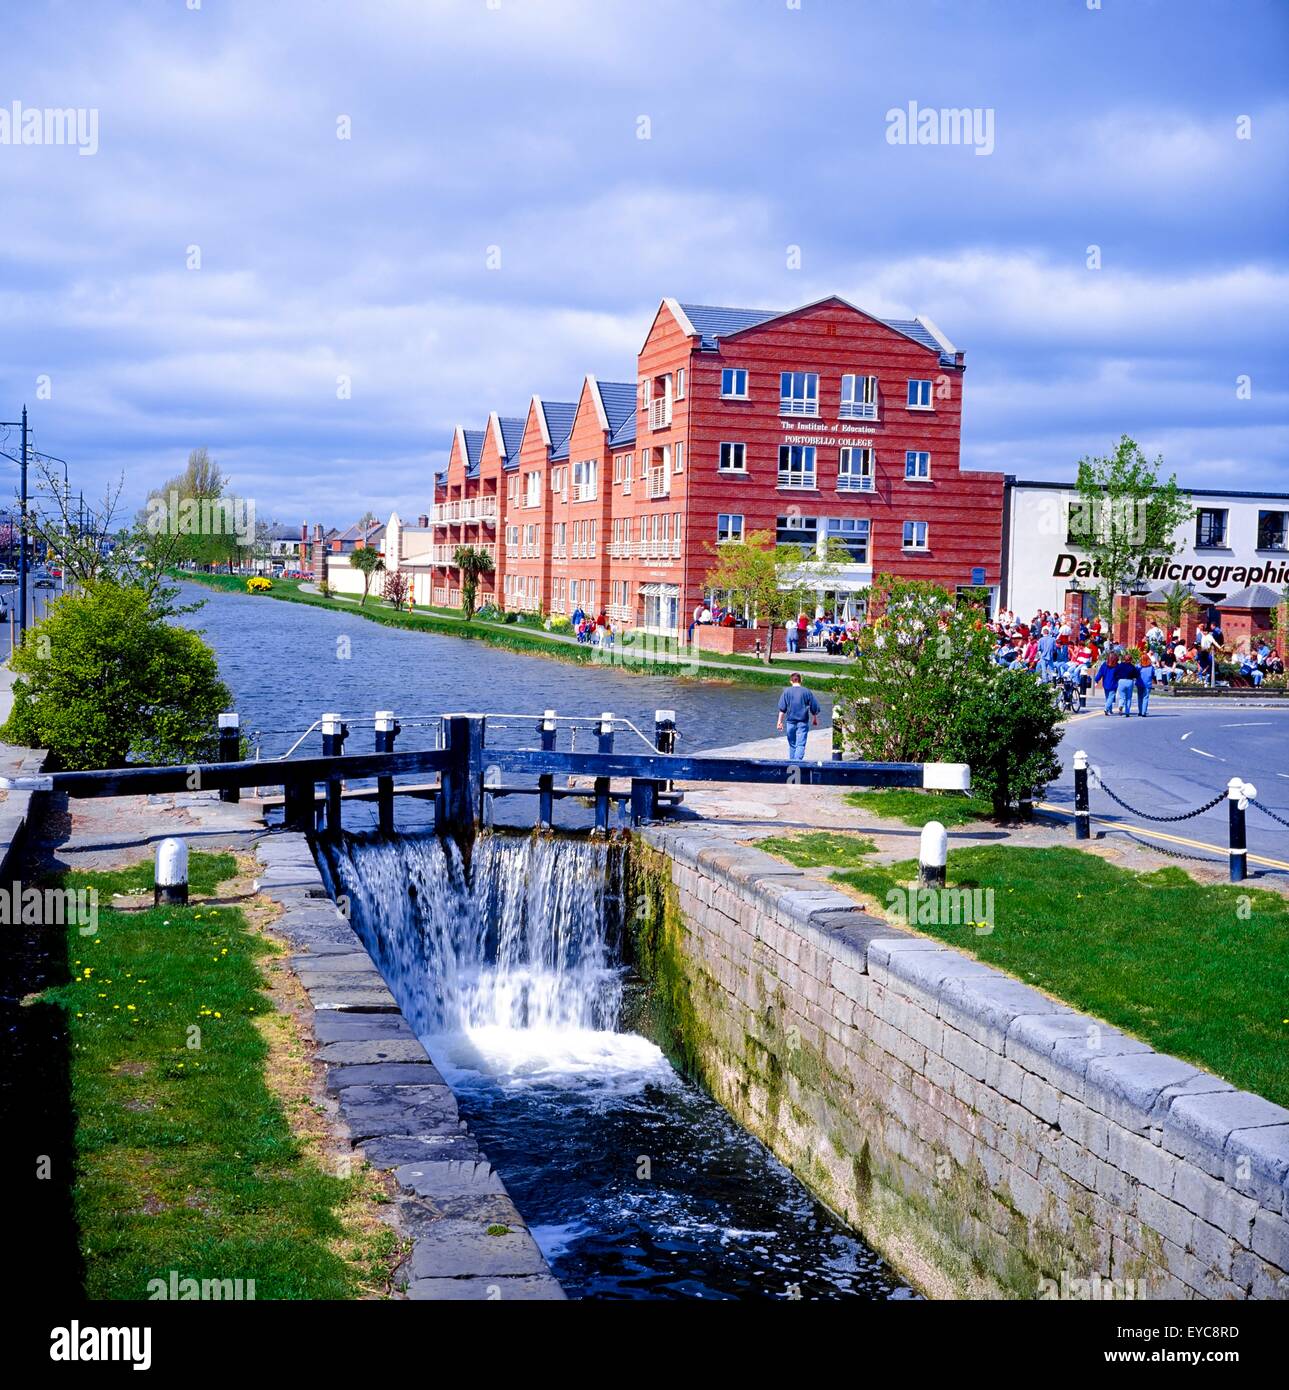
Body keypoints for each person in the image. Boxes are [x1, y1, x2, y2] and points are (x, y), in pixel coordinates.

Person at [776, 671, 820, 762]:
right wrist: (814, 718)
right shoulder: (807, 691)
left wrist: (779, 722)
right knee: (800, 744)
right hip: (802, 722)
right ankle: (797, 763)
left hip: (790, 722)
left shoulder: (786, 692)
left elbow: (782, 709)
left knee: (792, 744)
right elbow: (814, 707)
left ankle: (792, 763)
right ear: (801, 680)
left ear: (791, 681)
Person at [1094, 650, 1120, 715]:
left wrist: (1096, 680)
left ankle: (1110, 710)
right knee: (1111, 697)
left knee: (1108, 697)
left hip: (1105, 683)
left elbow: (1100, 673)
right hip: (1113, 684)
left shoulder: (1104, 665)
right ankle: (1106, 708)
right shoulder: (1117, 666)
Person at [1115, 651, 1139, 716]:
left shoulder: (1120, 665)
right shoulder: (1132, 667)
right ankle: (1127, 712)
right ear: (1131, 660)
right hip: (1129, 681)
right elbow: (1136, 675)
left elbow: (1115, 673)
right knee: (1128, 697)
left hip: (1121, 681)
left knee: (1122, 697)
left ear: (1124, 659)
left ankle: (1120, 705)